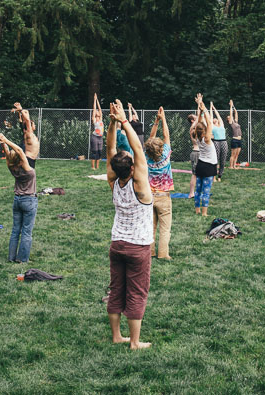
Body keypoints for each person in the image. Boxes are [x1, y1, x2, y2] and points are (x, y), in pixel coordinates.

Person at [105, 99, 154, 350]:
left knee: (116, 290)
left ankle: (116, 336)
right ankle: (134, 342)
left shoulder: (113, 181)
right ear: (133, 167)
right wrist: (124, 120)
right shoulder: (140, 184)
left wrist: (112, 124)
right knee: (136, 293)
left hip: (117, 244)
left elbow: (110, 148)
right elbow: (138, 148)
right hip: (138, 247)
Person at [0, 133, 37, 263]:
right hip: (29, 201)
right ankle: (22, 259)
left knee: (15, 231)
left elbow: (10, 155)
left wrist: (3, 143)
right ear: (21, 159)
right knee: (26, 232)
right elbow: (19, 150)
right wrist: (5, 140)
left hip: (17, 200)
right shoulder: (28, 170)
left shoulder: (11, 167)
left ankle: (11, 257)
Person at [146, 107, 173, 259]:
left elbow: (150, 141)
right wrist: (163, 119)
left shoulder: (146, 157)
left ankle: (150, 252)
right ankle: (163, 254)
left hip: (149, 196)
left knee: (151, 227)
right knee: (165, 227)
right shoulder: (165, 154)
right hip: (164, 196)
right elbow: (166, 135)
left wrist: (155, 122)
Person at [192, 94, 218, 216]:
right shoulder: (207, 139)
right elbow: (208, 122)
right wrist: (204, 109)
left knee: (198, 190)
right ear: (205, 130)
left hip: (200, 165)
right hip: (208, 166)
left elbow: (200, 121)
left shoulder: (196, 136)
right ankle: (204, 213)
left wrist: (200, 106)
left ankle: (197, 210)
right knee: (206, 191)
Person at [13, 102, 40, 167]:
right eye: (34, 124)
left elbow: (26, 118)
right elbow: (27, 120)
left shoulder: (31, 134)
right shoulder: (29, 133)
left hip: (31, 159)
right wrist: (21, 110)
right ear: (30, 126)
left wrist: (20, 111)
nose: (35, 125)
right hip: (28, 159)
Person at [210, 102, 229, 180]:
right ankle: (214, 176)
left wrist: (214, 108)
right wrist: (210, 108)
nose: (215, 118)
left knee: (223, 159)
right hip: (216, 142)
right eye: (214, 119)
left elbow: (218, 115)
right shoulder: (212, 125)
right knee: (215, 159)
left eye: (216, 118)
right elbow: (211, 116)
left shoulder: (221, 124)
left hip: (224, 142)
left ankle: (220, 176)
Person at [90, 94, 105, 170]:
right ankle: (93, 167)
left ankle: (97, 166)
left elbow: (100, 109)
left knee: (99, 152)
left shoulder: (101, 119)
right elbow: (94, 108)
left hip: (100, 137)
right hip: (95, 137)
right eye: (97, 112)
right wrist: (95, 100)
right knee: (94, 152)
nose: (98, 111)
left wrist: (98, 100)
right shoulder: (94, 119)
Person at [227, 100, 242, 169]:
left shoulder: (235, 122)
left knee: (237, 155)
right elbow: (231, 113)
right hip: (235, 140)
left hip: (239, 140)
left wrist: (233, 106)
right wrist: (230, 107)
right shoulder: (231, 123)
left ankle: (234, 166)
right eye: (229, 117)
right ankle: (231, 166)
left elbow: (236, 113)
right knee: (233, 154)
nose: (230, 117)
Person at [186, 113, 198, 198]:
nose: (197, 116)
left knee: (200, 174)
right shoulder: (192, 129)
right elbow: (199, 119)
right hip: (196, 152)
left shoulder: (197, 128)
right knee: (195, 174)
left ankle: (197, 191)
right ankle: (191, 193)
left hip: (199, 152)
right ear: (192, 120)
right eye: (195, 117)